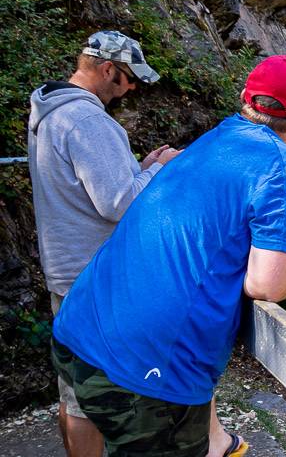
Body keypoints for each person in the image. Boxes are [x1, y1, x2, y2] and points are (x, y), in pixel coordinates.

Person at [50, 54, 286, 457]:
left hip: (79, 329)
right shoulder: (282, 168)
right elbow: (269, 283)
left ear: (245, 100)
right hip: (143, 375)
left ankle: (218, 442)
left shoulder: (212, 139)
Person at [28, 30, 181, 457]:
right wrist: (162, 170)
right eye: (130, 78)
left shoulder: (50, 110)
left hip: (65, 268)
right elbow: (118, 203)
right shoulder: (89, 121)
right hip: (94, 276)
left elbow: (86, 188)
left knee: (72, 388)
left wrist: (141, 165)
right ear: (110, 69)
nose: (132, 88)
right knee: (95, 397)